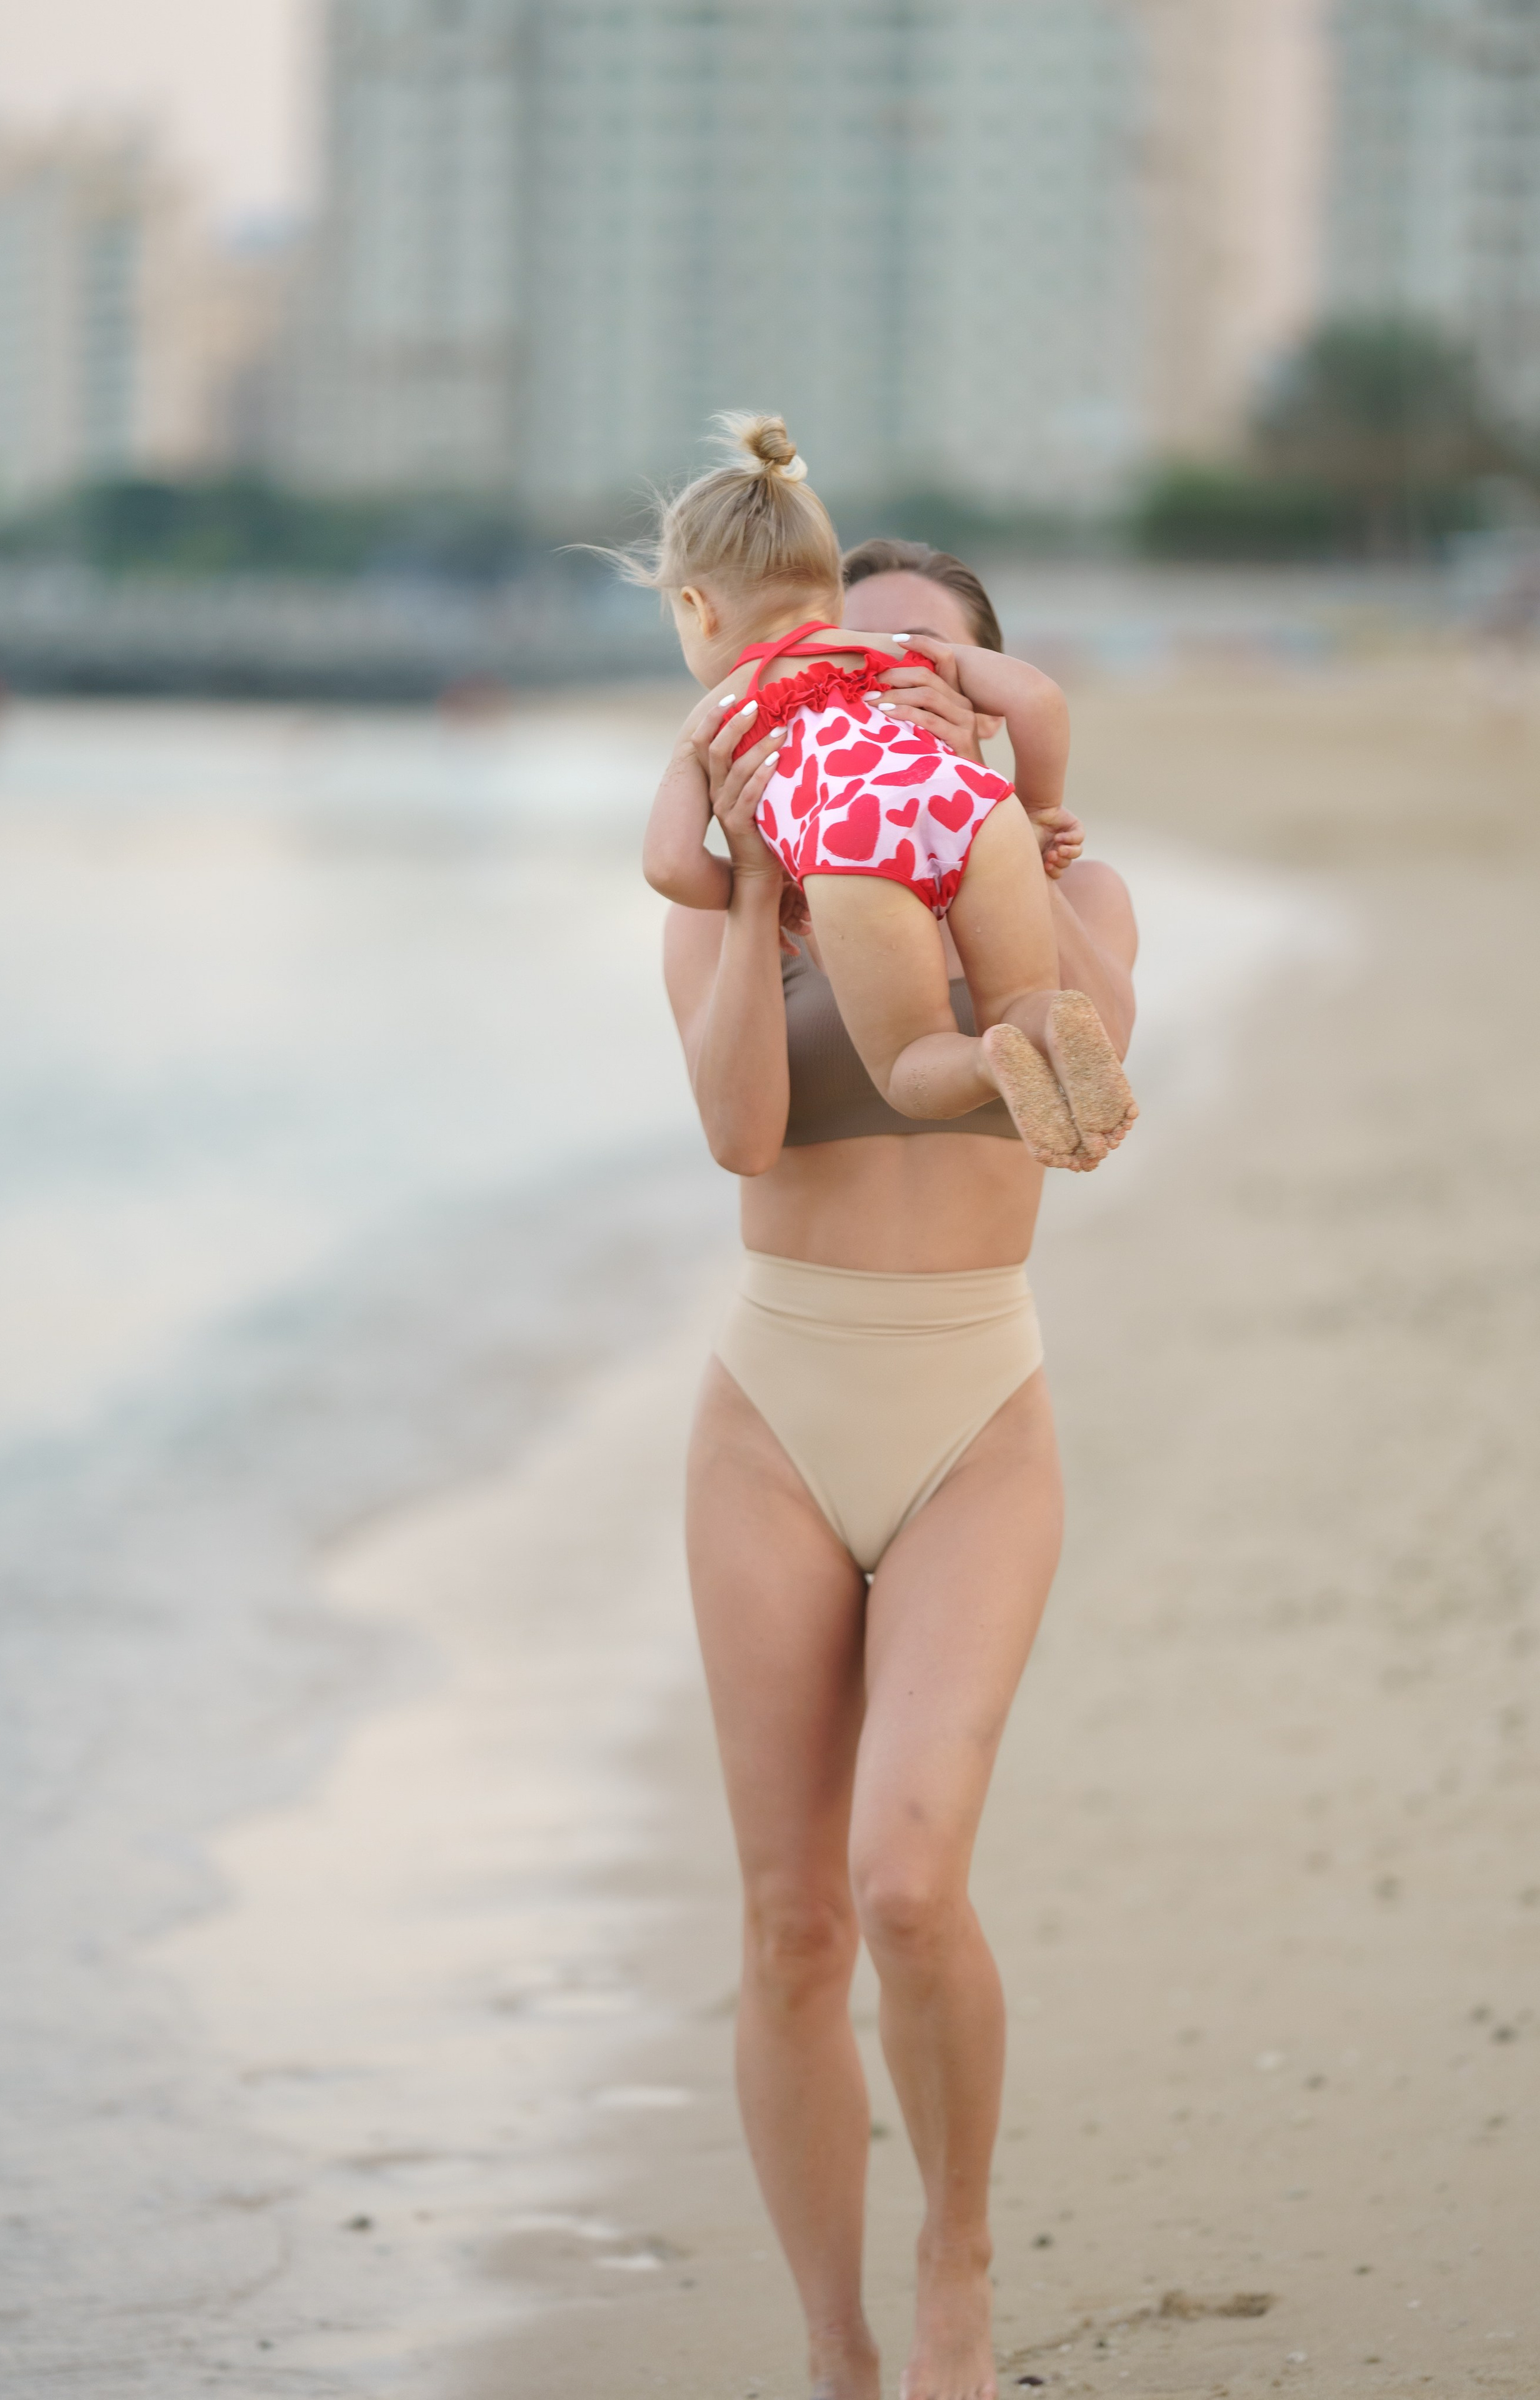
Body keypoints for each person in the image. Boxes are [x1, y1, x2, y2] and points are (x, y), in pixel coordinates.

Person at [659, 531, 1139, 2400]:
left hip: (969, 1410)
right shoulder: (732, 892)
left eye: (926, 657)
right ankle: (837, 2346)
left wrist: (1018, 879)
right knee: (790, 1919)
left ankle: (954, 2261)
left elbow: (1092, 1103)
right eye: (848, 654)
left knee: (911, 1881)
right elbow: (737, 1126)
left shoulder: (1054, 886)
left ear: (987, 696)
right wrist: (766, 882)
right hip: (773, 1409)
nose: (882, 678)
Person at [642, 413, 1135, 1169]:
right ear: (829, 599)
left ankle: (984, 1062)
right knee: (1022, 1003)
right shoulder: (906, 656)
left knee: (911, 1061)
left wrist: (760, 886)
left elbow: (669, 867)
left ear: (698, 610)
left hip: (851, 847)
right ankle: (1034, 1021)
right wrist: (1033, 809)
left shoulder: (719, 715)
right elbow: (1040, 700)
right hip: (976, 809)